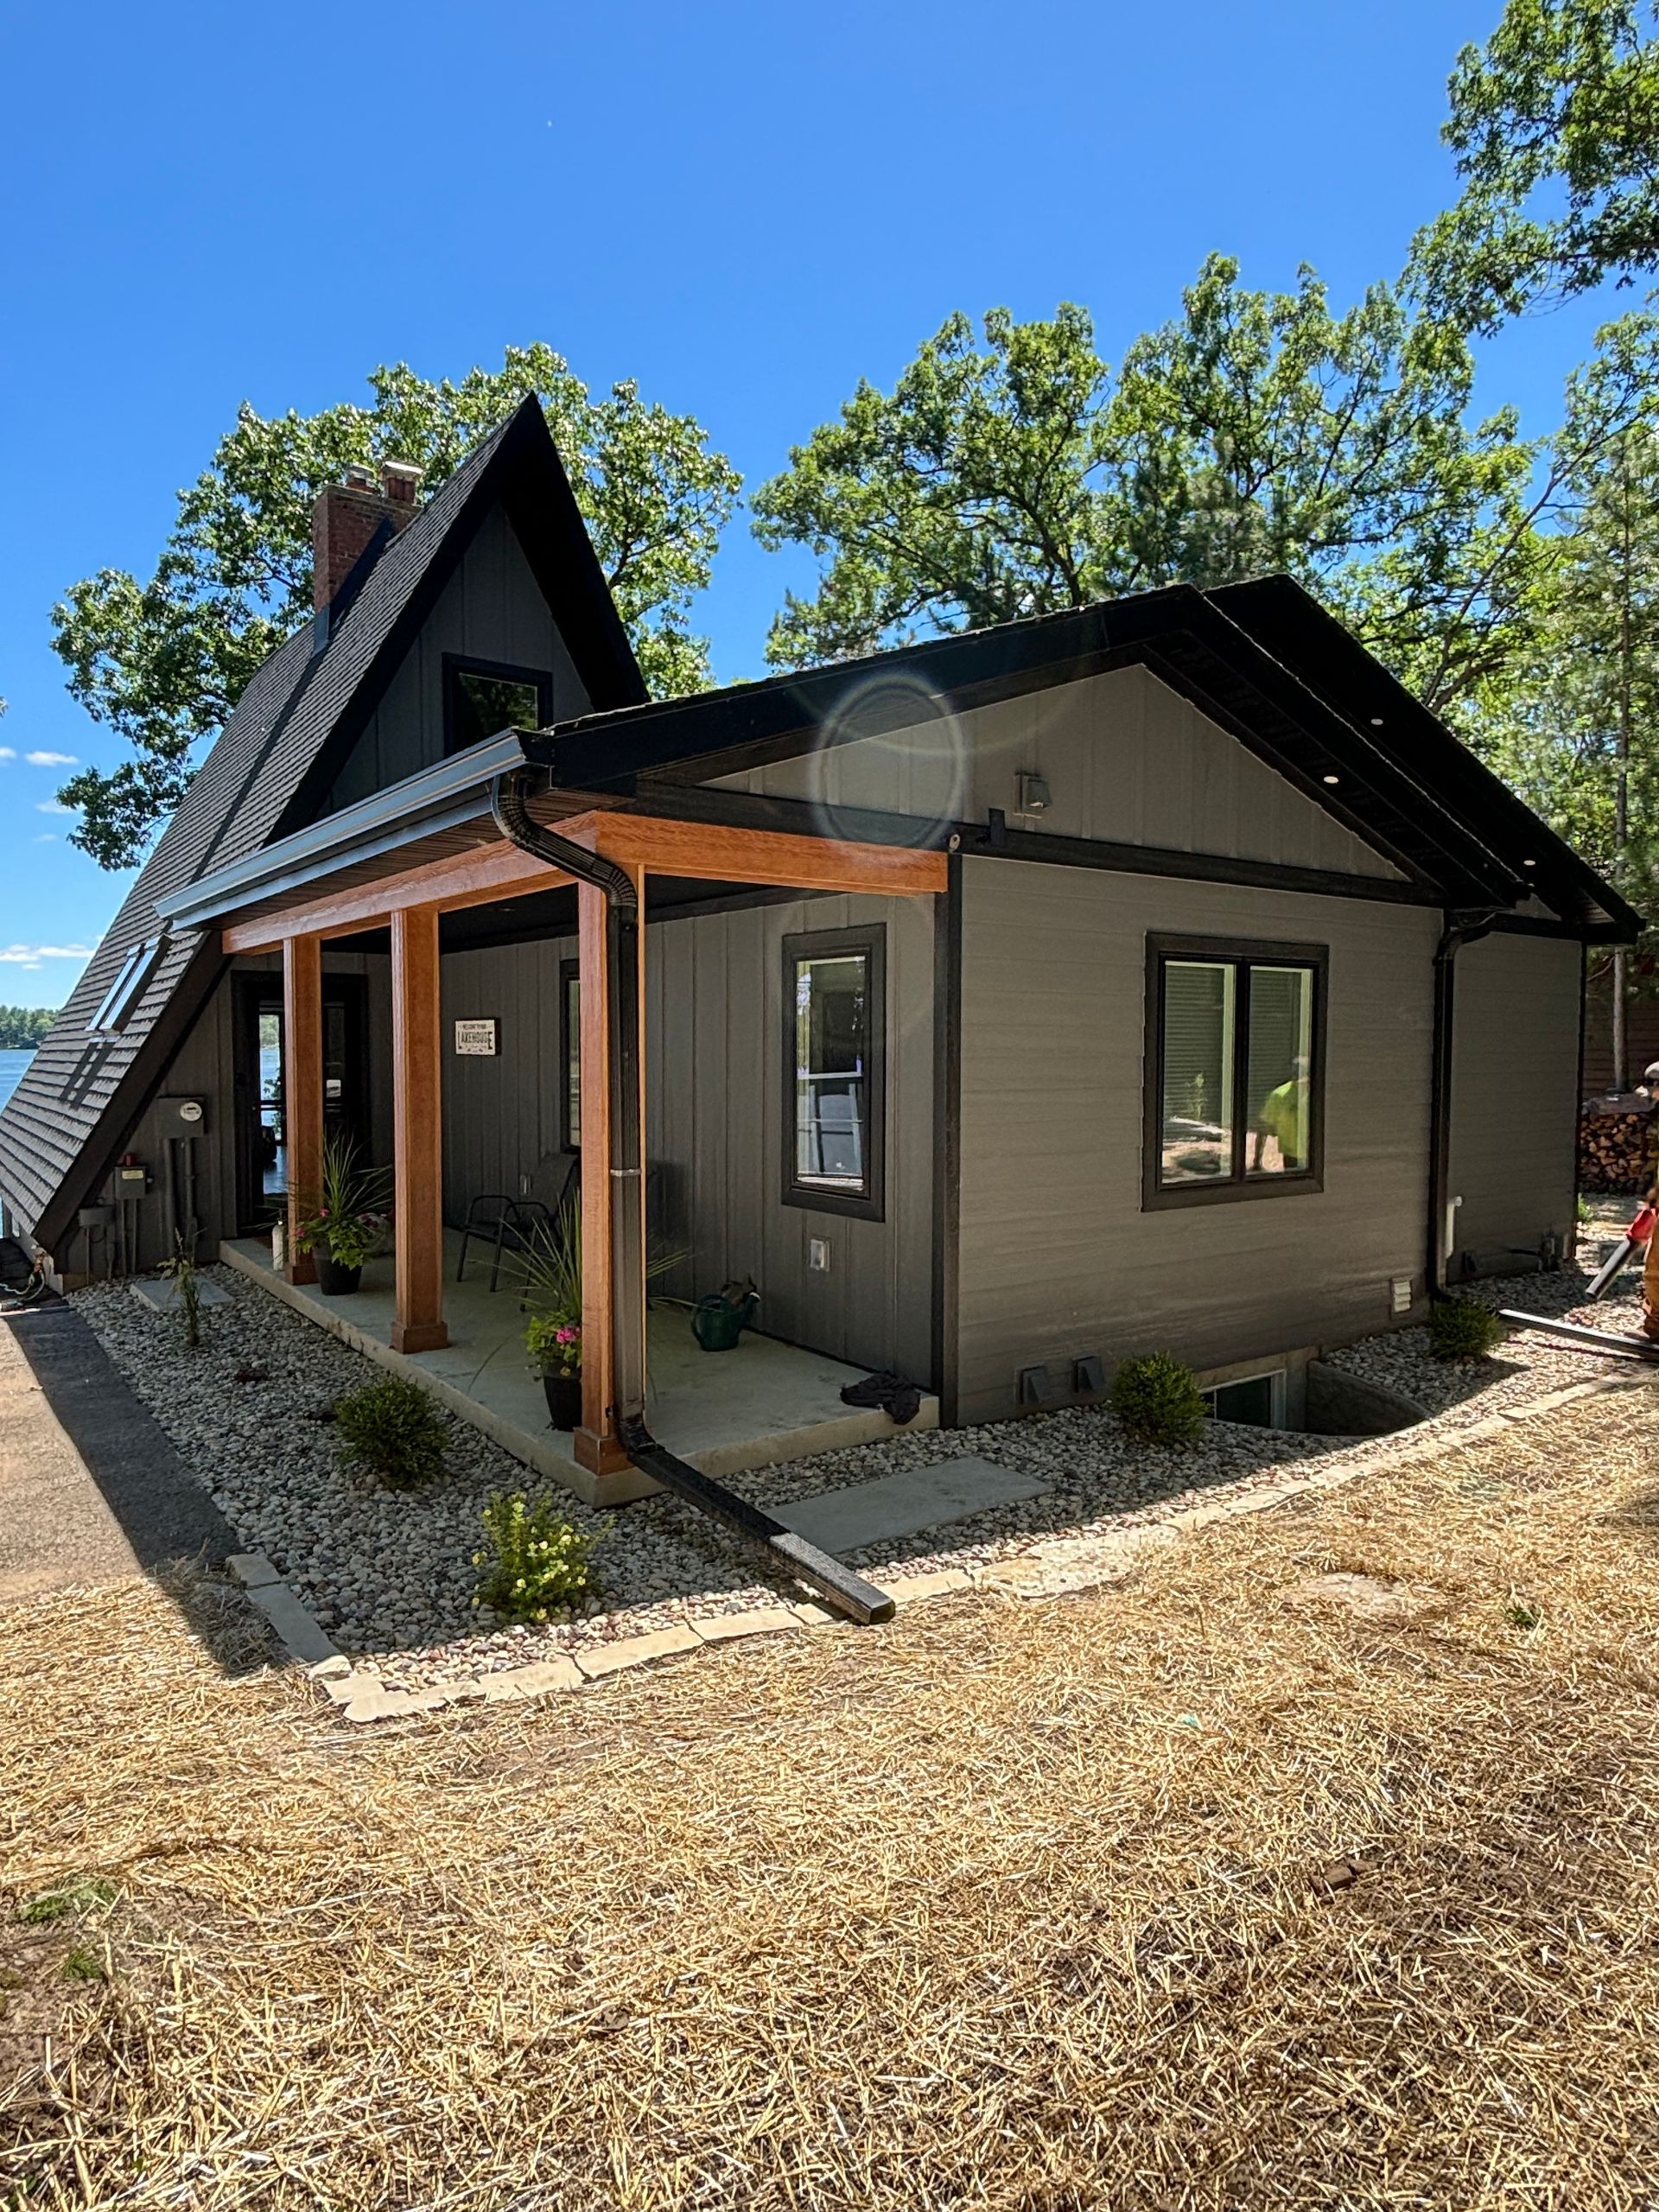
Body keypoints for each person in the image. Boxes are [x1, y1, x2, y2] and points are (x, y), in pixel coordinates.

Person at [1252, 1055, 1310, 1173]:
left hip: (1318, 1155)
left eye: (1300, 1069)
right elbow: (1264, 1128)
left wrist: (1257, 1161)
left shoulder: (1320, 1093)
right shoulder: (1279, 1096)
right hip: (1292, 1156)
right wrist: (1257, 1161)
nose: (1297, 1073)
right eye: (1295, 1069)